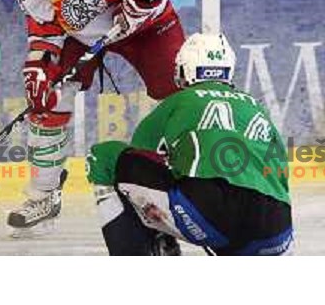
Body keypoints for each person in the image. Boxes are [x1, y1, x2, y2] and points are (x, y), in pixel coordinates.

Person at [7, 0, 189, 235]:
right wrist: (39, 62)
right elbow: (42, 19)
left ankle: (189, 182)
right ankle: (44, 195)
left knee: (180, 97)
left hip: (145, 24)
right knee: (46, 94)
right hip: (81, 33)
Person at [87, 33, 294, 256]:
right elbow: (280, 173)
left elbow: (142, 157)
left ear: (186, 70)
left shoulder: (179, 101)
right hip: (277, 226)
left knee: (106, 158)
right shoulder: (257, 107)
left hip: (211, 216)